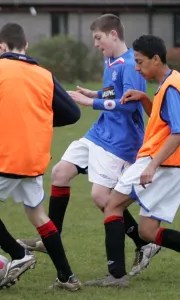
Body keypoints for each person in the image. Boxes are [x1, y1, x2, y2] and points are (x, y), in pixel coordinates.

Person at [84, 34, 180, 287]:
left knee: (112, 204)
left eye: (140, 62)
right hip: (179, 164)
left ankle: (116, 276)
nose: (136, 67)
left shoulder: (172, 87)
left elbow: (179, 131)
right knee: (147, 232)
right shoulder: (171, 82)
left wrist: (153, 165)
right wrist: (145, 100)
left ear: (156, 59)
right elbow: (165, 121)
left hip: (164, 161)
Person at [18, 14, 161, 277]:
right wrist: (94, 94)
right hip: (100, 132)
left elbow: (129, 102)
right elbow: (113, 91)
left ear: (113, 35)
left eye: (98, 38)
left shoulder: (132, 64)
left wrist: (90, 104)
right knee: (60, 173)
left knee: (102, 198)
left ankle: (144, 242)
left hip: (121, 140)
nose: (96, 44)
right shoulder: (110, 60)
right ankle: (53, 239)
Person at [0, 23, 81, 291]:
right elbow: (72, 113)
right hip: (33, 159)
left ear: (1, 47)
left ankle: (19, 255)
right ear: (25, 47)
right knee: (38, 216)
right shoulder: (44, 74)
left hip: (6, 157)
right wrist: (36, 121)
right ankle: (67, 277)